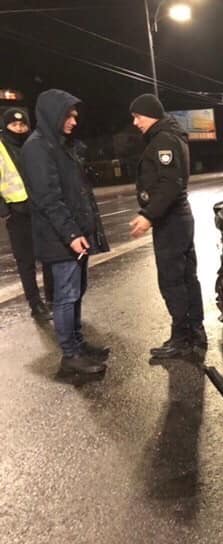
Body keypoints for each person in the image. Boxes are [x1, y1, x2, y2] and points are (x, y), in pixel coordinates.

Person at [22, 89, 110, 376]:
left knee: (76, 291)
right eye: (68, 115)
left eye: (74, 115)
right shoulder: (37, 147)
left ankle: (78, 344)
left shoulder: (60, 145)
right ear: (53, 114)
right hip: (59, 238)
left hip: (73, 234)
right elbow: (48, 198)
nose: (74, 121)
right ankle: (70, 355)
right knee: (66, 296)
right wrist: (72, 234)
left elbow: (76, 191)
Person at [128, 93, 205, 358]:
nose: (135, 122)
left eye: (137, 116)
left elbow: (170, 183)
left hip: (171, 220)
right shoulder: (172, 136)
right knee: (187, 277)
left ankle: (181, 338)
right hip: (178, 218)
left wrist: (148, 215)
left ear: (150, 114)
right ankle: (195, 332)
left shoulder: (163, 140)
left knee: (173, 280)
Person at [0, 107, 54, 320]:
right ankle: (35, 304)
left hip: (40, 208)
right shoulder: (1, 147)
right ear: (6, 126)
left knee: (49, 255)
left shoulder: (34, 144)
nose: (19, 128)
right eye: (14, 125)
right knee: (26, 262)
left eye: (22, 124)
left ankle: (52, 298)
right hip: (17, 212)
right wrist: (5, 210)